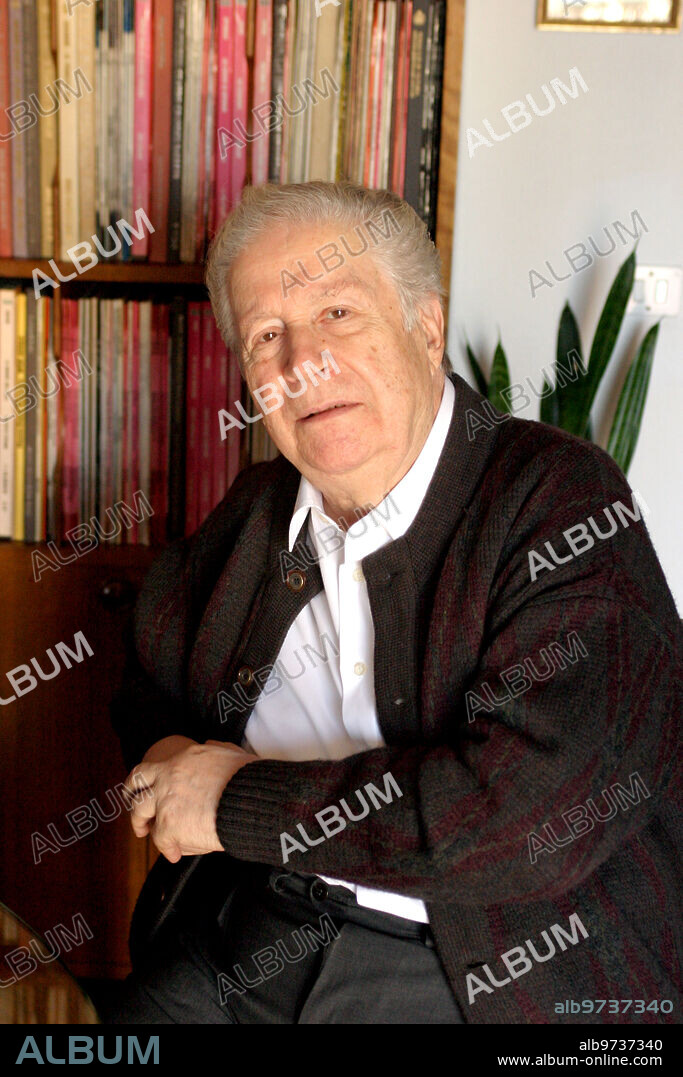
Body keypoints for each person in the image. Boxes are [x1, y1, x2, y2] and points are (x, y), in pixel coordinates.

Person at [106, 181, 680, 1025]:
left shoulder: (558, 500)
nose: (303, 362)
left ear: (426, 325)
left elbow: (525, 818)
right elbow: (149, 666)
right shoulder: (259, 509)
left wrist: (233, 803)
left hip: (473, 970)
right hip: (244, 933)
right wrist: (168, 759)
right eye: (267, 335)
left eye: (337, 313)